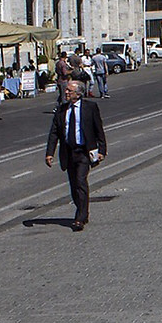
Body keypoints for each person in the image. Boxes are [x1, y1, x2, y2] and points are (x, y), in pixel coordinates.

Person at [45, 76, 107, 231]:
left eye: (69, 90)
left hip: (84, 152)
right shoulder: (61, 110)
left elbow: (98, 129)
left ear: (78, 93)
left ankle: (80, 217)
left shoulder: (90, 107)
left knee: (80, 181)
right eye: (66, 90)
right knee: (73, 185)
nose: (66, 92)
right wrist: (49, 153)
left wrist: (102, 150)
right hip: (68, 152)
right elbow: (54, 133)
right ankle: (82, 211)